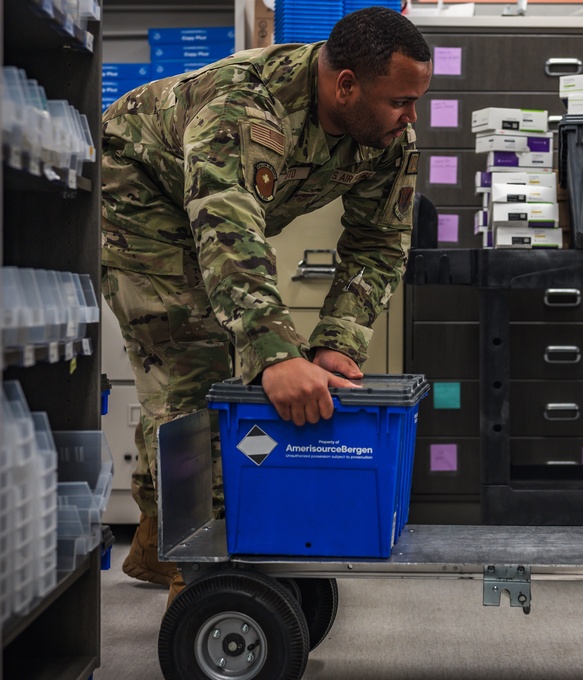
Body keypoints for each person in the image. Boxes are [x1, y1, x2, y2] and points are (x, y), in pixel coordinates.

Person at [100, 7, 432, 607]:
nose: (411, 117)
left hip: (214, 211)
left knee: (232, 362)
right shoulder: (244, 106)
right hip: (137, 190)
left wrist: (337, 340)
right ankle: (209, 586)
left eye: (416, 101)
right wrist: (275, 351)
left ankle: (154, 540)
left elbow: (379, 241)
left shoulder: (388, 137)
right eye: (400, 101)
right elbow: (227, 226)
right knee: (195, 372)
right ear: (347, 85)